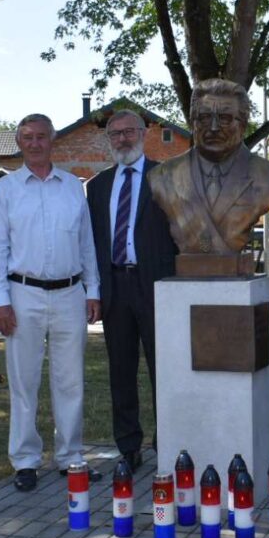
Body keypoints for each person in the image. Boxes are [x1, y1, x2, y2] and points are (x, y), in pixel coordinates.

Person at [0, 113, 102, 492]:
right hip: (23, 294)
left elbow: (86, 244)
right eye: (27, 138)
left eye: (41, 137)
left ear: (53, 141)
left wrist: (93, 291)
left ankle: (69, 455)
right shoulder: (5, 191)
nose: (34, 143)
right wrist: (0, 301)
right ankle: (25, 459)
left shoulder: (73, 187)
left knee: (70, 380)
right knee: (24, 381)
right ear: (18, 143)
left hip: (70, 293)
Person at [87, 109, 177, 472]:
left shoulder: (167, 177)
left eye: (128, 132)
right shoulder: (97, 186)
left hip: (156, 285)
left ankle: (168, 443)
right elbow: (91, 242)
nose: (122, 139)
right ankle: (128, 446)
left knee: (164, 368)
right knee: (120, 370)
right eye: (115, 134)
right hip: (115, 286)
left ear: (143, 134)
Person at [148, 79, 269, 260]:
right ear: (193, 123)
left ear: (243, 124)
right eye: (205, 118)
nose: (213, 128)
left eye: (225, 118)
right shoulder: (162, 176)